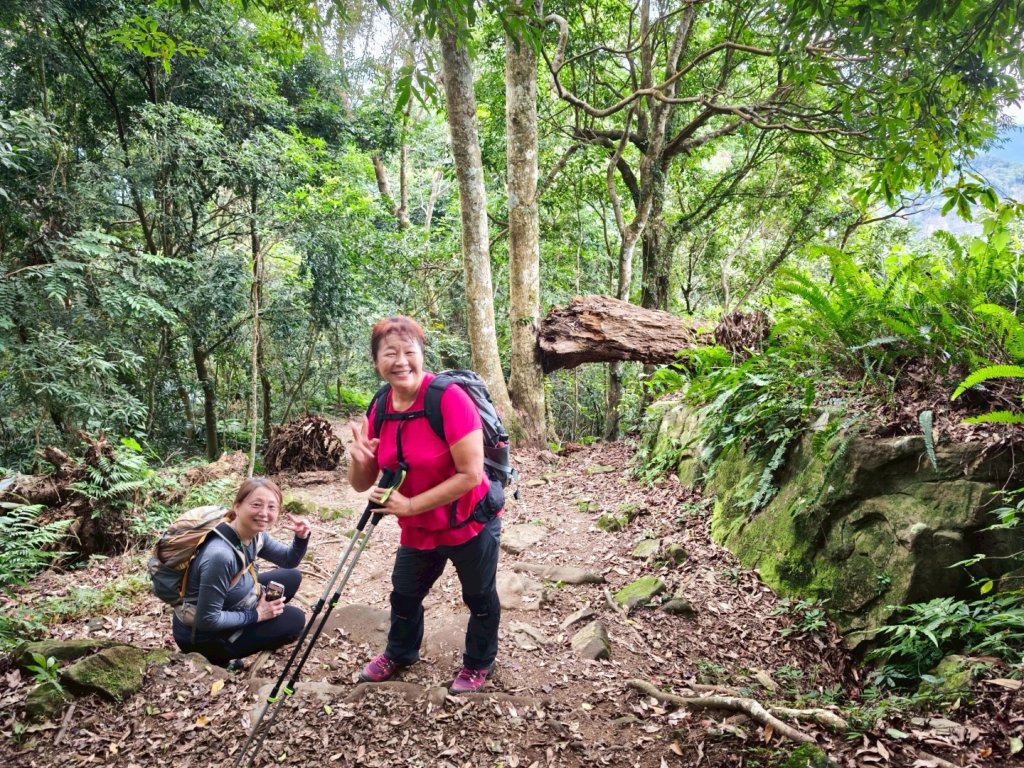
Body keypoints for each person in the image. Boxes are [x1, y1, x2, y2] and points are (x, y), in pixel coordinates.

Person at [348, 315, 502, 694]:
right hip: (417, 527)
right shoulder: (381, 405)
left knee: (479, 597)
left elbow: (469, 473)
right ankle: (400, 652)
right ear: (376, 362)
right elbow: (361, 484)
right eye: (390, 353)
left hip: (469, 520)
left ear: (421, 355)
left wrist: (412, 504)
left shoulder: (448, 399)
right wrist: (360, 460)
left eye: (409, 352)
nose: (401, 361)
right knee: (404, 594)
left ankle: (478, 663)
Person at [171, 477, 310, 669]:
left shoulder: (254, 535)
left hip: (233, 599)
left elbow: (288, 560)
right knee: (296, 619)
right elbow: (207, 620)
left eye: (272, 507)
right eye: (256, 505)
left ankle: (258, 621)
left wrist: (301, 538)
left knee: (291, 576)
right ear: (237, 506)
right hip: (204, 638)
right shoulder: (220, 556)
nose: (264, 513)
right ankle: (220, 659)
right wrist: (258, 614)